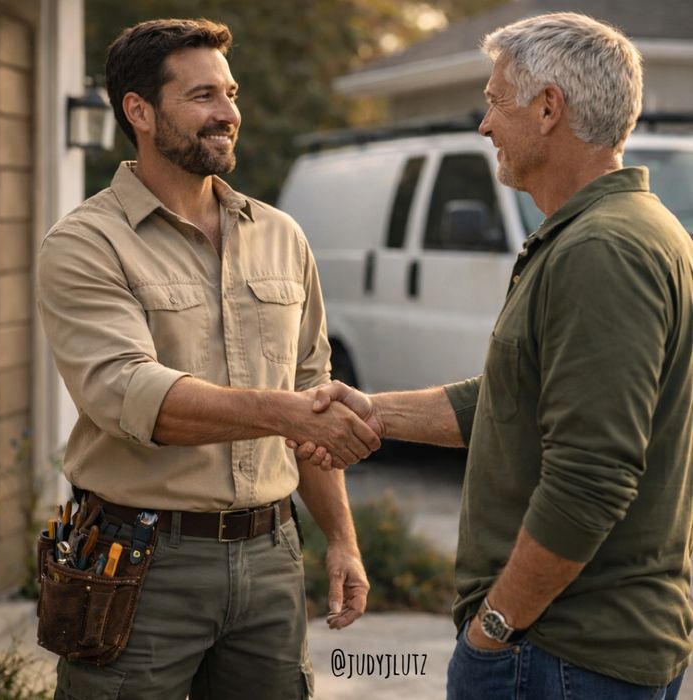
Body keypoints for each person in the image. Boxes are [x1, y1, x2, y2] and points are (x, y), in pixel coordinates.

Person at [294, 12, 693, 700]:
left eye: (493, 100)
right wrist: (371, 411)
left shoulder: (603, 250)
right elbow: (510, 400)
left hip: (565, 654)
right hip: (567, 652)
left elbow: (592, 478)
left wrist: (495, 626)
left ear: (547, 109)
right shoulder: (601, 232)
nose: (483, 126)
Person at [36, 18, 381, 700]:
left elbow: (312, 389)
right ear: (139, 110)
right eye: (202, 97)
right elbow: (133, 395)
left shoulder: (281, 237)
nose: (228, 114)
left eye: (231, 93)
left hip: (272, 557)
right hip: (137, 562)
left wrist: (341, 538)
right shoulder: (86, 245)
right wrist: (292, 413)